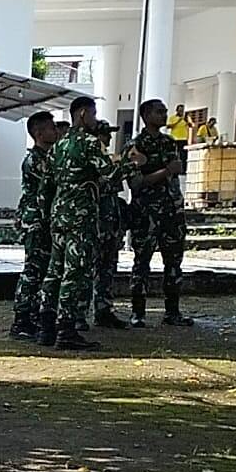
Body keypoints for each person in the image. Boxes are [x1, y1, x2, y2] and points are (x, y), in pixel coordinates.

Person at [43, 96, 142, 349]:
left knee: (55, 271)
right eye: (95, 115)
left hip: (60, 214)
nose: (96, 120)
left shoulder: (59, 145)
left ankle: (46, 327)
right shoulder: (89, 143)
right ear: (84, 113)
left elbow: (50, 182)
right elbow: (109, 176)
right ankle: (66, 331)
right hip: (81, 216)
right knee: (74, 272)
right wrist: (132, 164)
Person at [129, 99, 195, 327]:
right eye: (159, 112)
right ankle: (138, 313)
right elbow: (136, 183)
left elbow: (174, 174)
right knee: (142, 263)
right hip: (146, 212)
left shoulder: (169, 142)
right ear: (146, 115)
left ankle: (172, 312)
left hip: (172, 211)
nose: (164, 115)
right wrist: (166, 171)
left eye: (165, 111)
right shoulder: (136, 145)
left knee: (174, 262)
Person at [9, 111, 59, 341]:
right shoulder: (35, 161)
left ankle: (36, 315)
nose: (56, 131)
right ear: (39, 133)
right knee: (32, 271)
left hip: (45, 220)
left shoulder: (48, 158)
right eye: (51, 128)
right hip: (36, 221)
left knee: (43, 271)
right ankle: (22, 319)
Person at [91, 121, 132, 330]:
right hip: (96, 219)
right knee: (90, 267)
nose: (108, 138)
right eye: (105, 134)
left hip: (111, 218)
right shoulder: (91, 159)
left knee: (108, 267)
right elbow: (105, 184)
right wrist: (125, 165)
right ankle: (79, 313)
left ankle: (104, 310)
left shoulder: (105, 158)